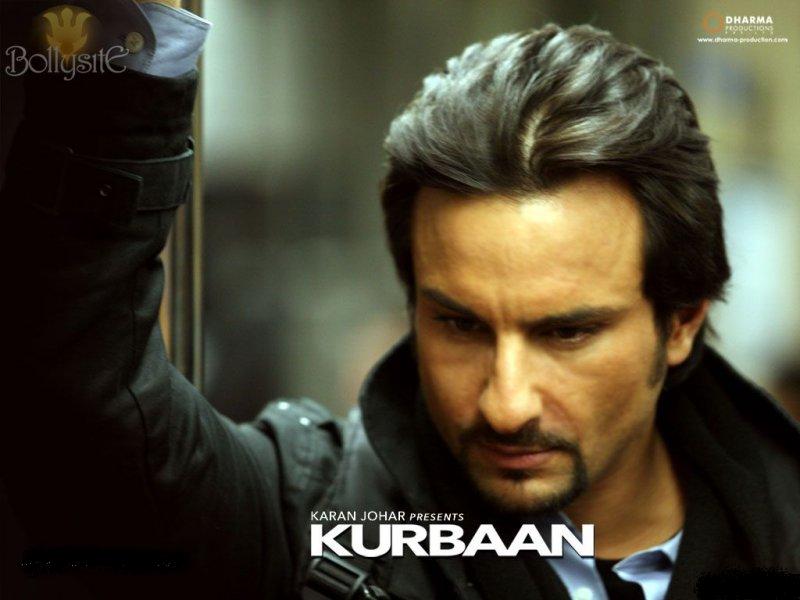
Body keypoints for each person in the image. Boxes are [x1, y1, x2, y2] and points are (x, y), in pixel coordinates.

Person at [2, 2, 799, 598]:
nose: (506, 404)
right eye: (459, 324)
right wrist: (117, 49)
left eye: (567, 333)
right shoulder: (307, 519)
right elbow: (78, 394)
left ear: (681, 322)